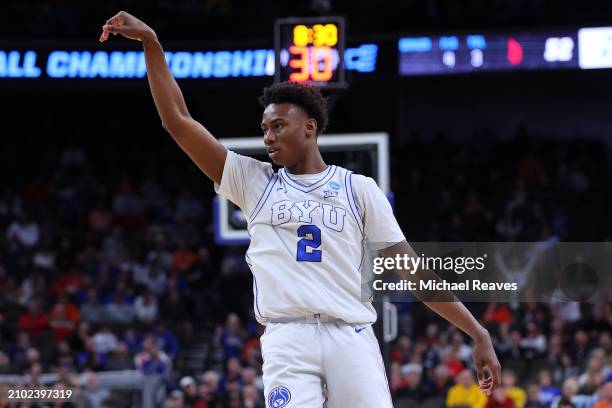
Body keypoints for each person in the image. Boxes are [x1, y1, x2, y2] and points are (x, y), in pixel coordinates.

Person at [99, 11, 501, 407]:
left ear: (309, 128)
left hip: (351, 334)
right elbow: (178, 120)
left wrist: (477, 331)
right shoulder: (253, 181)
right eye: (264, 129)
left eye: (278, 126)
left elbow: (415, 272)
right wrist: (152, 43)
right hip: (287, 338)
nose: (268, 137)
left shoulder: (359, 189)